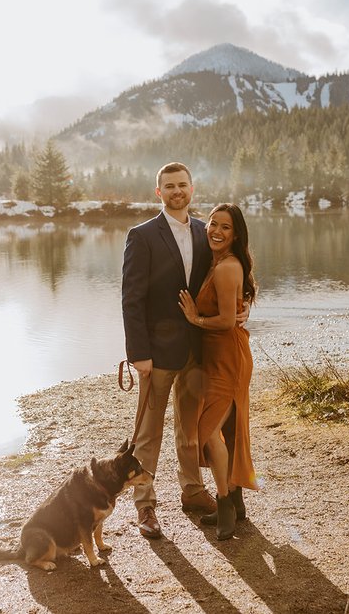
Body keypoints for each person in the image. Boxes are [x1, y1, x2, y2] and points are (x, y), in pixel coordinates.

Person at [121, 162, 219, 540]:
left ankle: (192, 491)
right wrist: (138, 352)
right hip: (156, 353)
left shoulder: (203, 231)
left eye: (182, 184)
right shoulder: (142, 235)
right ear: (158, 192)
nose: (177, 191)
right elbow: (132, 298)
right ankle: (145, 505)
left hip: (196, 349)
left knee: (190, 427)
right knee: (147, 432)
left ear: (192, 189)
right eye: (169, 186)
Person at [177, 203, 258, 541]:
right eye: (212, 224)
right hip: (218, 357)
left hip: (229, 359)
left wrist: (195, 318)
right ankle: (235, 500)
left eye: (225, 227)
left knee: (208, 429)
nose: (216, 231)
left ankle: (224, 501)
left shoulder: (227, 268)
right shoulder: (218, 262)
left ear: (235, 234)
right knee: (225, 429)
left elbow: (226, 321)